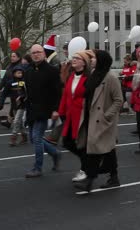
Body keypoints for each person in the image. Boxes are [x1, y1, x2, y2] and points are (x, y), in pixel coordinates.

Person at [73, 50, 123, 191]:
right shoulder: (94, 75)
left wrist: (107, 115)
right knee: (108, 149)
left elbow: (119, 100)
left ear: (101, 60)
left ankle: (89, 180)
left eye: (94, 58)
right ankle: (114, 177)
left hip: (101, 120)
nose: (92, 59)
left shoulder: (110, 77)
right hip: (90, 116)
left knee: (94, 150)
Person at [24, 45, 62, 178]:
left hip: (44, 110)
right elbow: (27, 90)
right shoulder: (28, 70)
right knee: (34, 139)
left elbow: (58, 92)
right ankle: (55, 153)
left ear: (44, 54)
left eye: (38, 52)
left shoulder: (52, 70)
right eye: (33, 53)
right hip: (31, 110)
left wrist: (56, 109)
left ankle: (37, 168)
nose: (36, 55)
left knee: (37, 138)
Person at [57, 50, 93, 183]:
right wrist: (61, 112)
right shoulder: (71, 76)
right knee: (67, 142)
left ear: (84, 62)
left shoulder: (88, 78)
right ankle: (89, 162)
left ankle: (85, 169)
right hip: (70, 115)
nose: (74, 59)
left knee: (81, 143)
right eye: (74, 58)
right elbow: (66, 95)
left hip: (82, 116)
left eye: (77, 58)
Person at [0, 66, 28, 146]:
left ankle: (13, 138)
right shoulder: (10, 83)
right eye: (18, 73)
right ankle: (25, 136)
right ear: (14, 73)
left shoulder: (23, 82)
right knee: (20, 122)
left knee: (16, 120)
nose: (20, 74)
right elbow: (4, 94)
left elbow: (28, 92)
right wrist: (1, 103)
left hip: (22, 104)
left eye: (21, 73)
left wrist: (22, 96)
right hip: (14, 105)